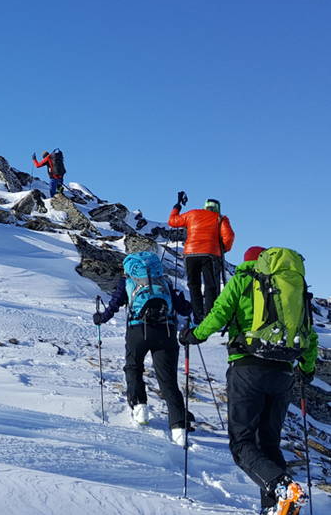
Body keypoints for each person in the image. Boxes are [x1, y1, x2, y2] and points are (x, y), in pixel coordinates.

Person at [180, 246, 318, 515]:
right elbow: (309, 334)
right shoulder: (292, 287)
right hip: (284, 372)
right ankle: (277, 507)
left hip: (248, 368)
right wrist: (307, 368)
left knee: (242, 444)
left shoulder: (244, 279)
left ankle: (282, 488)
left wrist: (194, 335)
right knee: (268, 444)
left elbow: (218, 312)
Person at [93, 251, 194, 445]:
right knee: (168, 380)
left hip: (138, 330)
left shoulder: (128, 280)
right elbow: (183, 307)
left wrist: (100, 318)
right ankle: (179, 428)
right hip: (166, 330)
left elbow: (115, 303)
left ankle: (140, 408)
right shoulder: (163, 281)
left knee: (133, 367)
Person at [169, 194, 235, 323]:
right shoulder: (220, 218)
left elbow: (173, 221)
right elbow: (229, 236)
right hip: (210, 254)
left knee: (194, 285)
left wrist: (176, 207)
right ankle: (210, 317)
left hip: (190, 254)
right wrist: (223, 249)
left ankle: (198, 317)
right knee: (211, 285)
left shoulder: (192, 214)